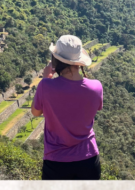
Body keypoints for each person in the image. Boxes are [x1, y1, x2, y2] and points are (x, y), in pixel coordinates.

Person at [31, 35, 103, 180]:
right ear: (79, 61)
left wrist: (46, 78)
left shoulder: (46, 86)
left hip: (56, 161)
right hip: (88, 159)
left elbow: (36, 112)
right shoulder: (96, 87)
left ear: (56, 60)